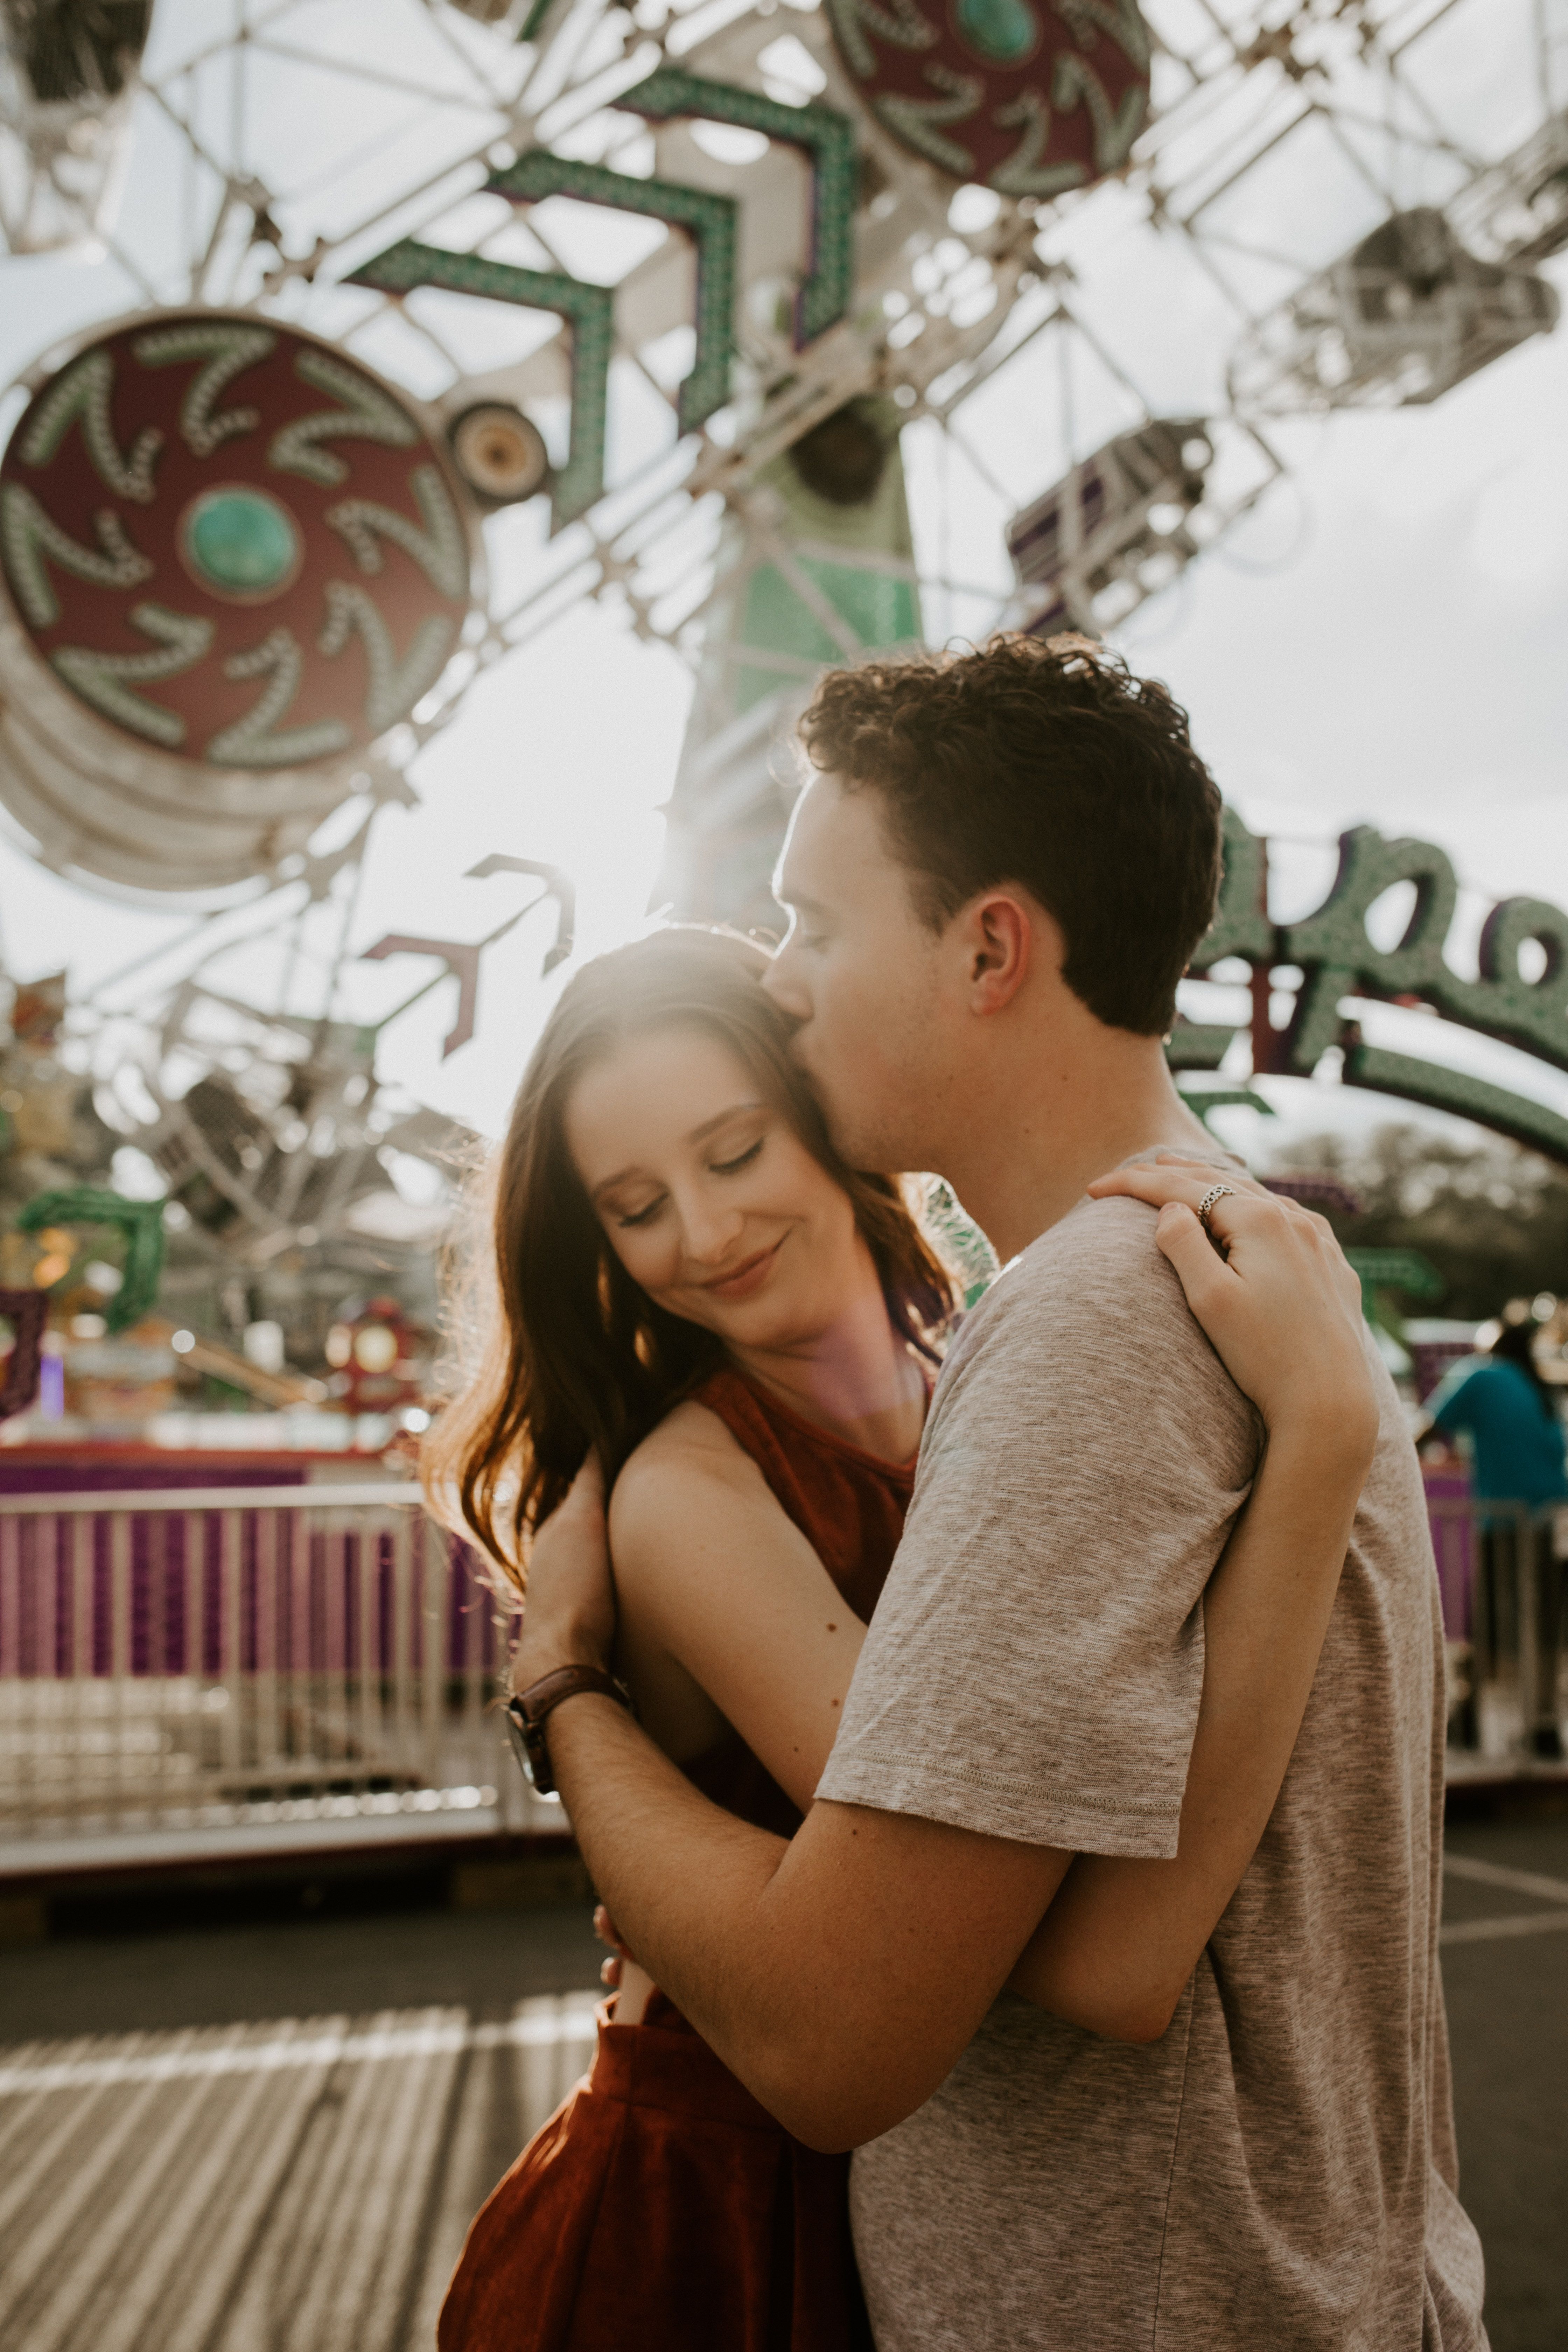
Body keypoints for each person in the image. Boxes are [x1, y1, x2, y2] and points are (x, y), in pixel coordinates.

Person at [500, 635, 1486, 2350]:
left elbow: (838, 2037)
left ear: (987, 947)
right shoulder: (1253, 1269)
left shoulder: (1086, 1325)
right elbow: (1135, 1928)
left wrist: (558, 1692)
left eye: (813, 921)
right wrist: (1321, 1460)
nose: (782, 979)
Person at [424, 923, 1383, 2352]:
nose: (701, 1233)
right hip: (708, 2220)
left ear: (826, 1117)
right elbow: (1041, 1944)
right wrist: (1320, 1442)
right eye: (633, 1205)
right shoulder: (690, 1486)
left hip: (903, 2189)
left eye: (734, 1152)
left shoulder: (976, 1379)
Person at [1426, 1312, 1568, 1758]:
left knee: (1483, 1619)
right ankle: (1544, 1724)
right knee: (1544, 1624)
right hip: (1551, 1519)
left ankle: (1468, 1715)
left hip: (1506, 1522)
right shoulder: (1536, 1387)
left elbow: (1428, 1428)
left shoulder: (1480, 1376)